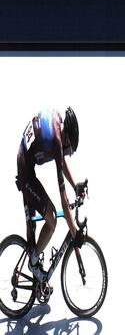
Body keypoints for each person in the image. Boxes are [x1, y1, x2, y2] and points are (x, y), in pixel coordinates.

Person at [15, 107, 85, 283]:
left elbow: (61, 162)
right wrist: (75, 232)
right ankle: (33, 263)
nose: (68, 153)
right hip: (26, 172)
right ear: (66, 138)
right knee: (52, 219)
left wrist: (75, 185)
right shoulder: (56, 143)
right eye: (70, 150)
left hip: (25, 158)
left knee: (35, 228)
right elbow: (64, 201)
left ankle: (34, 255)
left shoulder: (58, 122)